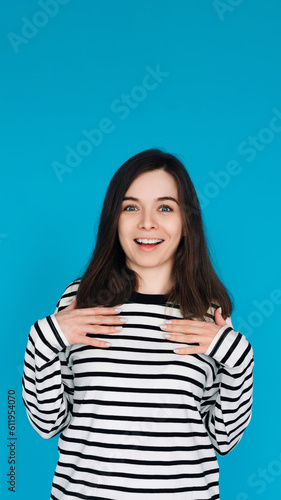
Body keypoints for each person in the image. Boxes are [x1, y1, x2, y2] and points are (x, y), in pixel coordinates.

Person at [22, 148, 254, 500]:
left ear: (186, 222)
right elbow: (47, 423)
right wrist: (44, 338)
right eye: (131, 207)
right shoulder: (79, 299)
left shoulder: (208, 312)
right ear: (114, 219)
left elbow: (224, 439)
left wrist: (239, 358)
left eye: (165, 207)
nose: (147, 223)